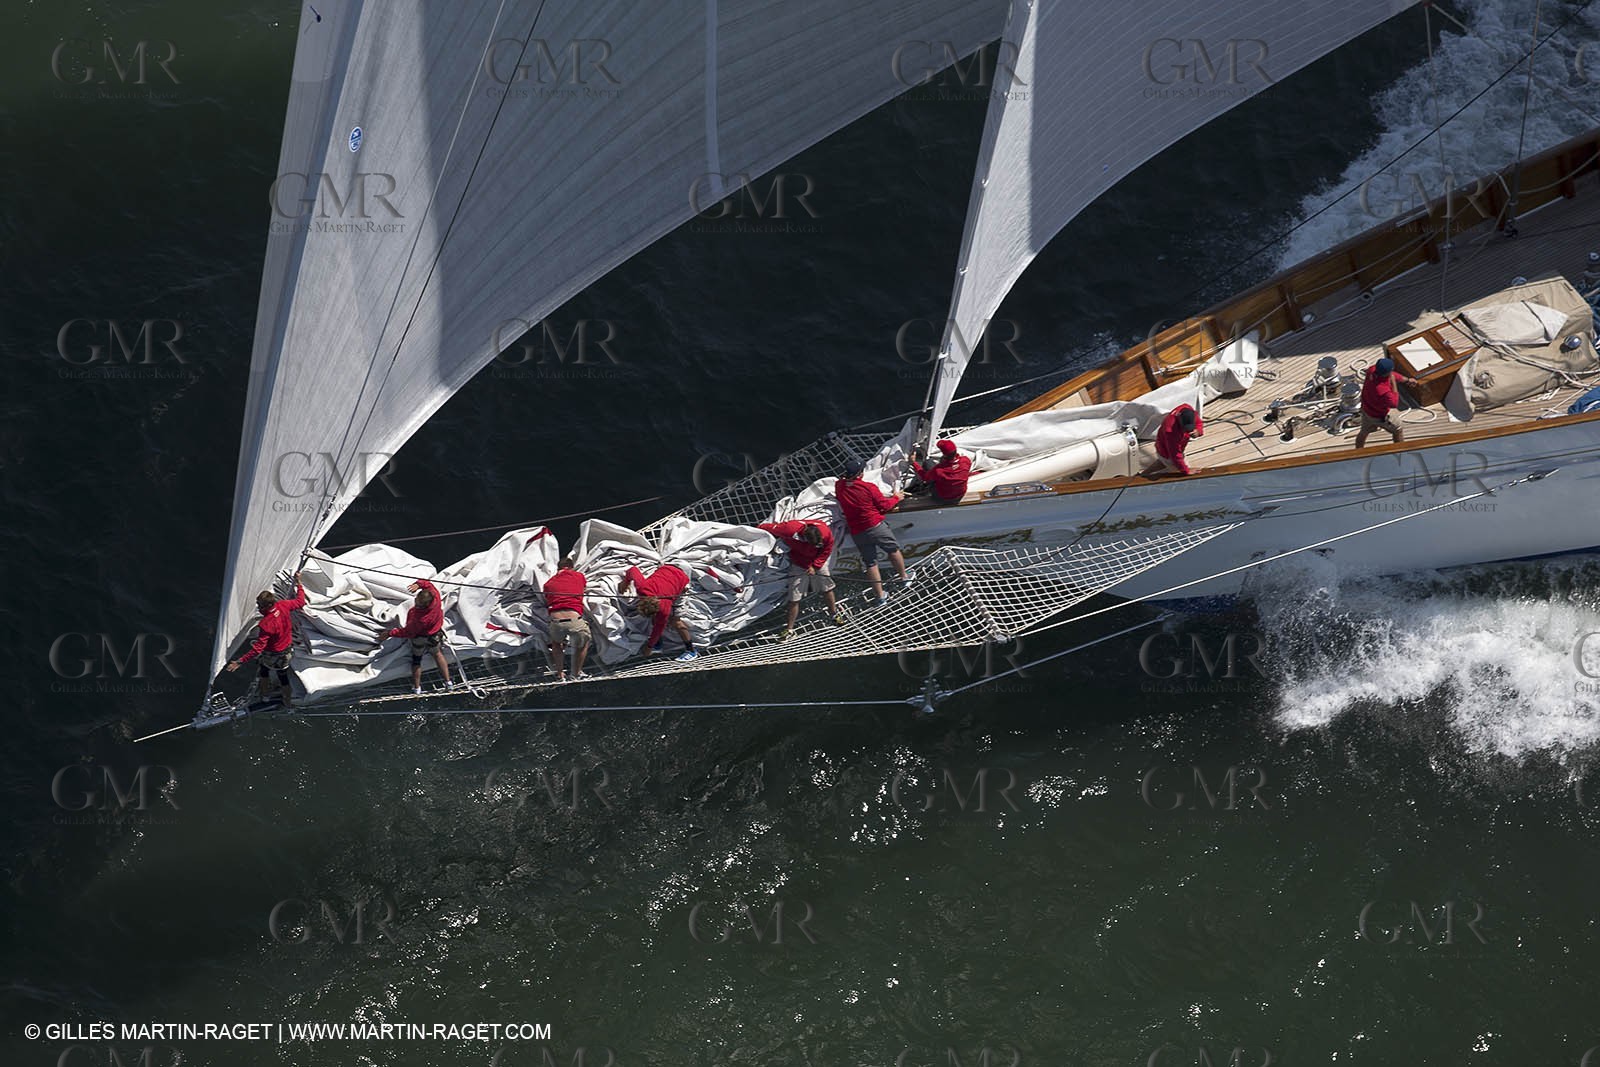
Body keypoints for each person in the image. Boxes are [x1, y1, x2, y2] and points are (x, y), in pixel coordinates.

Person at [225, 572, 306, 707]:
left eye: (260, 605)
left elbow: (258, 648)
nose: (258, 607)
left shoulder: (266, 624)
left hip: (273, 654)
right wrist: (299, 583)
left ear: (267, 606)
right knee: (283, 676)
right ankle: (287, 701)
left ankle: (265, 696)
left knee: (264, 672)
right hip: (286, 651)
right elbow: (300, 601)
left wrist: (240, 661)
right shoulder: (283, 605)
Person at [758, 518, 846, 638]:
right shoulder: (789, 530)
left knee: (827, 588)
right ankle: (789, 629)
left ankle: (834, 614)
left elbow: (827, 549)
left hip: (817, 561)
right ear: (804, 538)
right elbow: (768, 527)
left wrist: (815, 566)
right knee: (794, 598)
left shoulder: (825, 533)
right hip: (799, 563)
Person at [834, 462, 908, 605]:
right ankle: (904, 578)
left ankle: (880, 596)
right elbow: (884, 506)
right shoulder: (868, 487)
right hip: (874, 525)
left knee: (870, 563)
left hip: (857, 531)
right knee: (892, 550)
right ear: (860, 474)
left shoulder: (839, 486)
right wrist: (896, 498)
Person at [376, 578, 453, 694]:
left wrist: (389, 633)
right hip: (435, 634)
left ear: (424, 605)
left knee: (417, 660)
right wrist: (418, 584)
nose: (415, 600)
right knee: (437, 654)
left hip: (420, 638)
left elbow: (408, 632)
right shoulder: (435, 596)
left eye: (417, 600)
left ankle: (417, 688)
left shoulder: (420, 618)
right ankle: (448, 683)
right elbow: (428, 584)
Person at [619, 563, 698, 661]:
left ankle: (691, 650)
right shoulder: (642, 588)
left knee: (675, 622)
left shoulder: (664, 609)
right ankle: (658, 643)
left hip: (681, 578)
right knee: (656, 620)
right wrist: (625, 583)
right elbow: (633, 570)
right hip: (669, 568)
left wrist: (649, 647)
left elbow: (658, 628)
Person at [1353, 356, 1422, 448]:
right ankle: (1400, 451)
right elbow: (1394, 403)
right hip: (1379, 416)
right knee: (1398, 429)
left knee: (1364, 432)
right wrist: (1393, 383)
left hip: (1366, 409)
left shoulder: (1371, 370)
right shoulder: (1383, 390)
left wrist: (1407, 380)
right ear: (1388, 373)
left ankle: (1358, 451)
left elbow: (1392, 374)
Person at [543, 556, 592, 682]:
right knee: (583, 643)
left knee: (556, 644)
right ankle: (575, 674)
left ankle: (560, 675)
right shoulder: (578, 576)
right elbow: (583, 589)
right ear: (571, 567)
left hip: (556, 622)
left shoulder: (548, 583)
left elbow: (547, 598)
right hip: (574, 619)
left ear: (558, 568)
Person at [1153, 403, 1204, 475]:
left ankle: (1141, 475)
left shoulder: (1188, 410)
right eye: (1185, 428)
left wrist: (1198, 431)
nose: (1187, 431)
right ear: (1179, 418)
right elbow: (1175, 454)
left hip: (1162, 448)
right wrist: (1186, 471)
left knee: (1162, 460)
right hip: (1167, 453)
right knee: (1182, 474)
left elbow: (1199, 423)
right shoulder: (1171, 431)